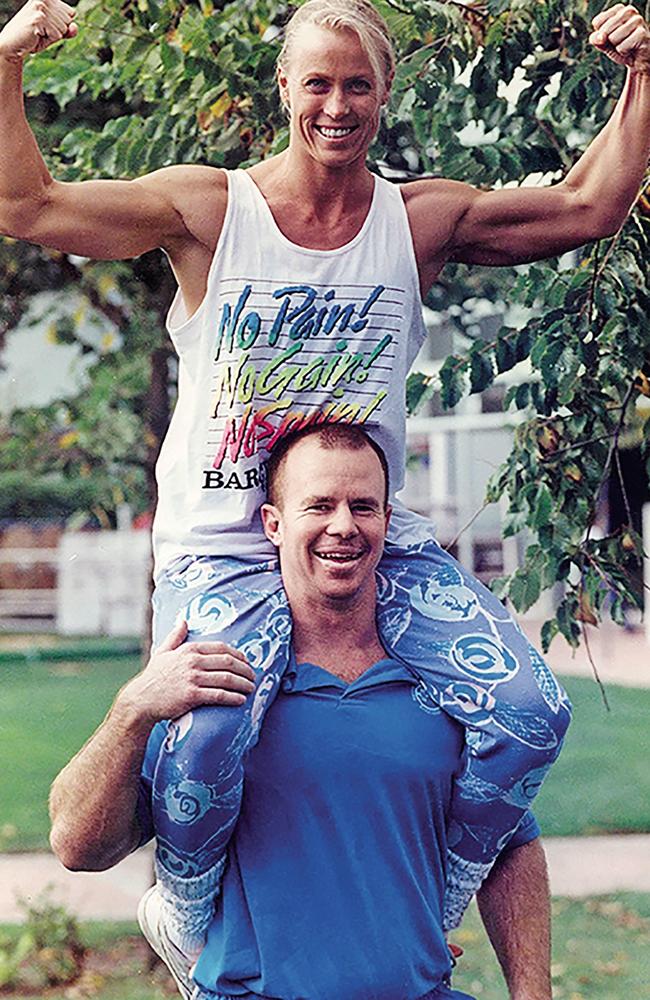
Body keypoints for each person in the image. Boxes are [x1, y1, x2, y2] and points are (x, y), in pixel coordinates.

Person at [2, 0, 647, 954]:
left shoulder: (417, 220)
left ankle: (433, 899)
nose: (336, 105)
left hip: (361, 534)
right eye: (317, 82)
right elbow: (28, 206)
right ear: (284, 89)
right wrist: (7, 62)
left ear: (385, 92)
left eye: (357, 84)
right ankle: (182, 909)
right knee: (211, 742)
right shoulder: (209, 211)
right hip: (223, 547)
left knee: (526, 710)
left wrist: (644, 78)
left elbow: (588, 205)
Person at [50, 425, 555, 1000]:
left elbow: (511, 841)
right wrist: (131, 710)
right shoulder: (215, 685)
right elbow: (77, 846)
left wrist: (532, 993)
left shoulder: (448, 686)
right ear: (273, 523)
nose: (343, 525)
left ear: (388, 521)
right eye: (319, 505)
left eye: (362, 506)